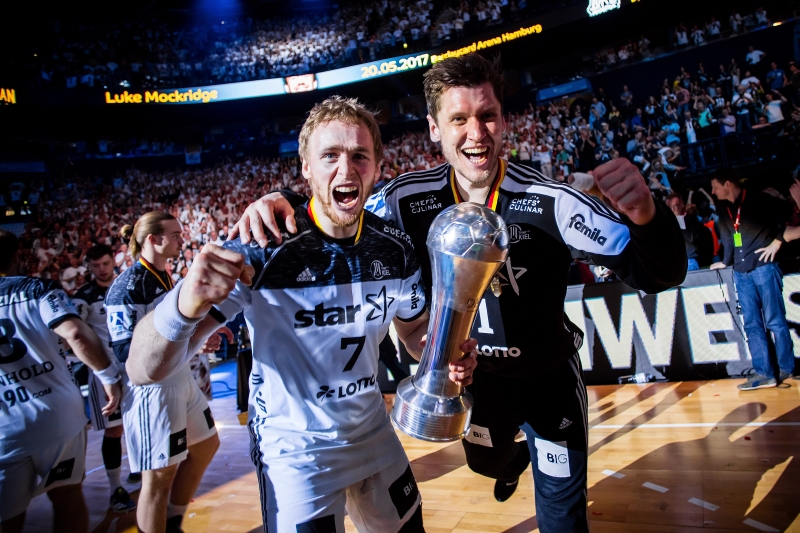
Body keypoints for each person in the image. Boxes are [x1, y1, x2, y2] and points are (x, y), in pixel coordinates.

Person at [231, 54, 686, 533]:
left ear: (503, 121)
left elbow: (657, 272)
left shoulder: (553, 200)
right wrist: (283, 201)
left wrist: (646, 216)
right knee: (487, 463)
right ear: (434, 128)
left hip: (548, 381)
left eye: (487, 115)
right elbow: (340, 208)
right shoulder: (405, 200)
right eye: (459, 119)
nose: (476, 133)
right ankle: (509, 463)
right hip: (473, 384)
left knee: (563, 519)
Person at [126, 96, 478, 532]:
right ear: (306, 168)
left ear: (376, 167)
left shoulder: (395, 248)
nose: (346, 170)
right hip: (296, 452)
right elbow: (142, 369)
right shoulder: (260, 247)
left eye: (360, 156)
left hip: (374, 433)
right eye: (330, 155)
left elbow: (413, 331)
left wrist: (442, 353)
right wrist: (182, 306)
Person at [105, 212, 225, 533]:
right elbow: (125, 353)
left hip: (179, 376)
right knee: (158, 477)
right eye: (175, 235)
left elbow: (173, 334)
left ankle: (172, 520)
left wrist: (200, 335)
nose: (181, 240)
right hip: (151, 389)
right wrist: (192, 341)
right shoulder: (127, 286)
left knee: (206, 445)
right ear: (152, 240)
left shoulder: (163, 277)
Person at [0, 230, 122, 533]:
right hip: (57, 414)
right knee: (67, 496)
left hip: (5, 424)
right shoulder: (38, 289)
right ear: (18, 256)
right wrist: (108, 376)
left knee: (7, 518)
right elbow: (75, 333)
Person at [709, 169, 796, 389]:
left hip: (764, 267)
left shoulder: (759, 199)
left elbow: (788, 214)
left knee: (775, 321)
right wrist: (725, 261)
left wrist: (777, 241)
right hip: (741, 272)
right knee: (751, 324)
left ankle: (786, 368)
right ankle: (764, 373)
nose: (713, 191)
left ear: (727, 184)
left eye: (715, 187)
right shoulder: (723, 208)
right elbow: (727, 237)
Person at [72, 244, 138, 513]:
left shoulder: (127, 286)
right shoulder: (83, 297)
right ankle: (115, 489)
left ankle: (138, 468)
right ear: (89, 266)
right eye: (96, 265)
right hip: (104, 373)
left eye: (106, 264)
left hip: (133, 367)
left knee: (136, 422)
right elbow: (74, 335)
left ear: (114, 261)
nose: (101, 269)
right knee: (114, 430)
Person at [665, 193, 713, 270]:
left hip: (689, 260)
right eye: (669, 207)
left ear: (682, 204)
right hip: (675, 262)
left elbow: (691, 237)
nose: (673, 209)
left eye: (675, 206)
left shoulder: (690, 218)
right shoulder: (667, 222)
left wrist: (678, 218)